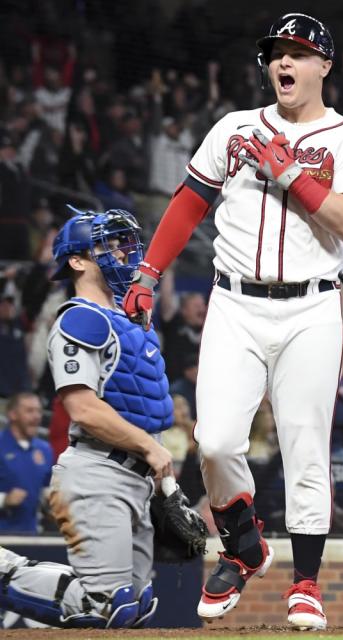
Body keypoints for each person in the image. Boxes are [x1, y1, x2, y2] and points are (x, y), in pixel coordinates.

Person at [121, 13, 343, 629]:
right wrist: (150, 272)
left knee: (304, 443)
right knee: (214, 441)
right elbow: (188, 202)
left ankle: (307, 581)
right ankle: (243, 546)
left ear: (324, 65)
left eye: (297, 52)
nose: (282, 63)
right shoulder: (235, 128)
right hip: (233, 302)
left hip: (312, 306)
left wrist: (291, 174)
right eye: (275, 53)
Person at [0, 209, 174, 628]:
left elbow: (140, 406)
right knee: (104, 606)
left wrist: (159, 475)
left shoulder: (133, 320)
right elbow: (83, 408)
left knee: (135, 609)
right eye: (108, 245)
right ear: (77, 260)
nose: (122, 253)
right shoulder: (80, 317)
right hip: (97, 469)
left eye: (124, 243)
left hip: (136, 476)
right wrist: (152, 449)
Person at [0, 392, 52, 534]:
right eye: (29, 411)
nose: (37, 416)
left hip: (31, 534)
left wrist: (51, 502)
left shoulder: (45, 449)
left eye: (39, 411)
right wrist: (4, 500)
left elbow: (46, 487)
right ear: (13, 415)